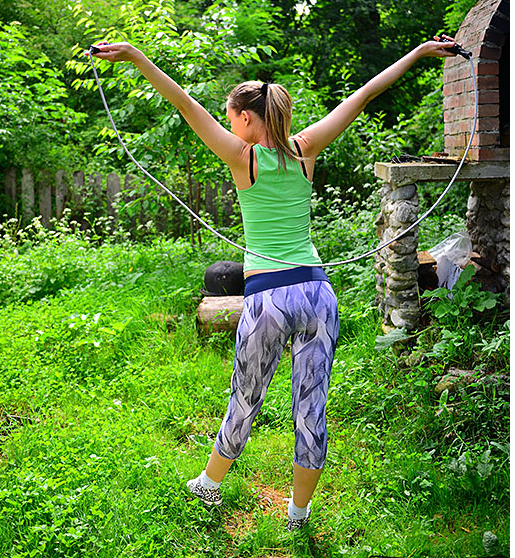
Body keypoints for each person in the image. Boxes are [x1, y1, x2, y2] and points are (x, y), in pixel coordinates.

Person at [90, 35, 456, 530]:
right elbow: (365, 93)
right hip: (317, 293)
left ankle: (209, 485)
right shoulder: (305, 151)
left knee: (246, 395)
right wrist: (416, 54)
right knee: (312, 406)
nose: (227, 122)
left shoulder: (245, 158)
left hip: (268, 299)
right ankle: (298, 515)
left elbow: (182, 102)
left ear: (245, 119)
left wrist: (136, 57)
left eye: (230, 115)